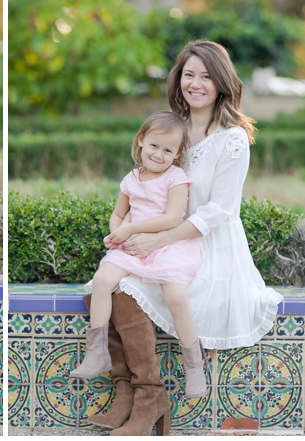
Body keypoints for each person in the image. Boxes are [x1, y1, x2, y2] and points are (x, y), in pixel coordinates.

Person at [92, 39, 283, 436]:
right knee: (105, 285)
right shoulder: (172, 129)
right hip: (164, 233)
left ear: (222, 83)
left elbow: (219, 210)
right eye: (188, 75)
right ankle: (129, 393)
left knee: (127, 290)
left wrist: (158, 241)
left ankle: (149, 400)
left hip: (208, 243)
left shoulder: (232, 137)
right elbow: (145, 187)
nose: (195, 84)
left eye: (206, 76)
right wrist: (132, 230)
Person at [72, 111, 207, 398]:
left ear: (178, 153)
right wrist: (116, 232)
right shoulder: (131, 178)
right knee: (102, 280)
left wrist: (131, 228)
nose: (158, 155)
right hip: (132, 246)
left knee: (176, 296)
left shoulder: (176, 179)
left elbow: (172, 218)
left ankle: (195, 366)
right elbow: (118, 213)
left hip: (167, 246)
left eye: (168, 150)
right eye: (154, 146)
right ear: (141, 140)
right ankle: (97, 352)